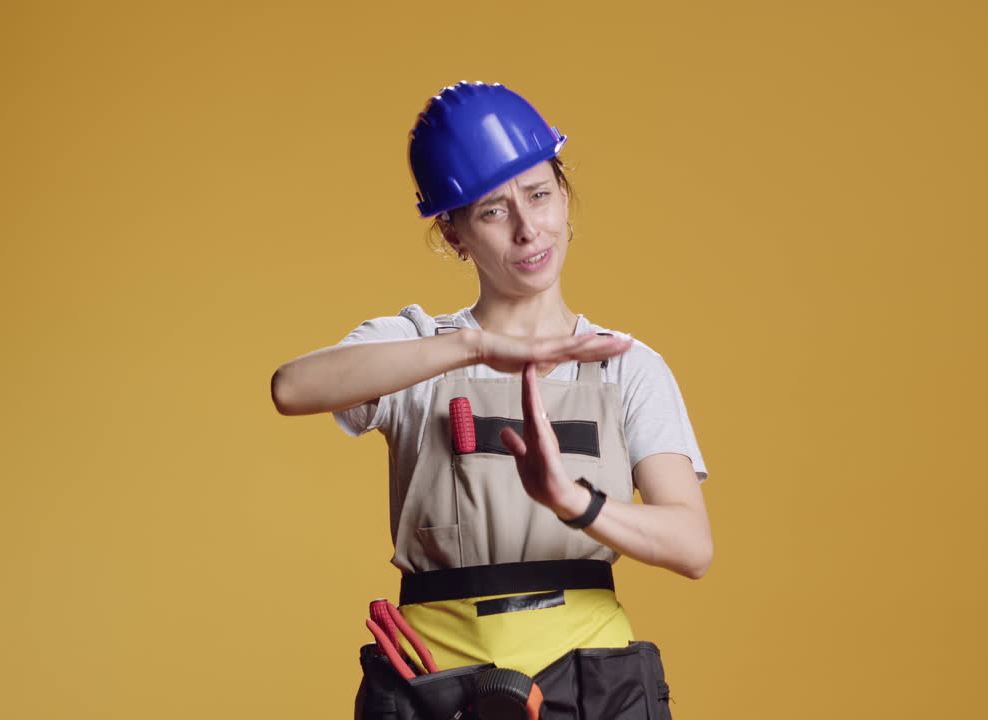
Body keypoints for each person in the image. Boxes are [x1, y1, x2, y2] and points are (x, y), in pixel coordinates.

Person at [271, 80, 711, 719]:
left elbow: (691, 545)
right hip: (440, 686)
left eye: (539, 194)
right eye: (492, 211)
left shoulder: (626, 367)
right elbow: (292, 388)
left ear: (564, 194)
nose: (529, 229)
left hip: (597, 686)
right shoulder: (415, 347)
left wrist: (575, 502)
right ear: (454, 234)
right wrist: (472, 348)